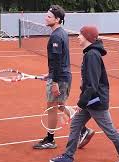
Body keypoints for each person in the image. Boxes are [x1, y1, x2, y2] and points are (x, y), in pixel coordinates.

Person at [49, 26, 119, 162]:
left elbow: (93, 85)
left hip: (96, 101)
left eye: (80, 35)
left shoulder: (92, 55)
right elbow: (89, 83)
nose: (78, 37)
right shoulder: (89, 53)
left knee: (110, 130)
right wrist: (83, 100)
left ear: (87, 37)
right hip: (90, 99)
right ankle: (68, 156)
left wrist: (81, 103)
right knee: (76, 124)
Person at [33, 5, 94, 150]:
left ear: (57, 19)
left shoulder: (56, 36)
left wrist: (53, 81)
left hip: (60, 79)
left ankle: (50, 139)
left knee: (52, 108)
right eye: (46, 15)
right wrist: (50, 74)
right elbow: (59, 60)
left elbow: (57, 60)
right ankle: (84, 130)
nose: (45, 18)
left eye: (49, 16)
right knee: (59, 106)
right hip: (62, 76)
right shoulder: (62, 33)